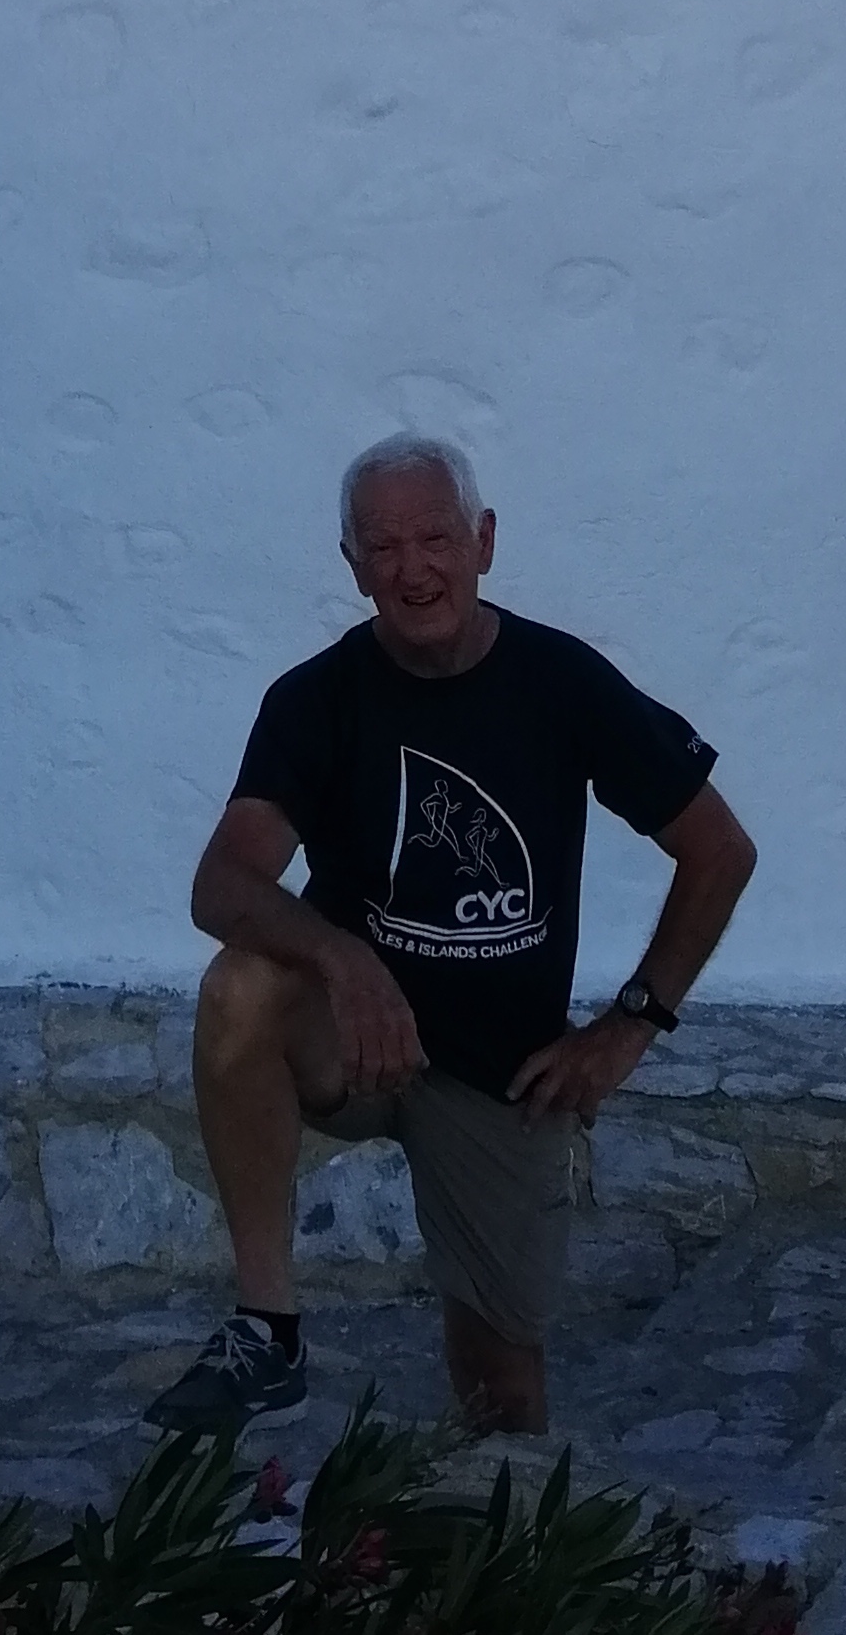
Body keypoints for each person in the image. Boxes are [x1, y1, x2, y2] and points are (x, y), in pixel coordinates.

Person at [146, 435, 759, 1441]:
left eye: (435, 537)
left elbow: (719, 848)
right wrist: (343, 958)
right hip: (355, 1038)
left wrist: (631, 1024)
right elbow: (223, 881)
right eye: (383, 547)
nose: (412, 568)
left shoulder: (563, 680)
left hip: (500, 1069)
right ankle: (266, 1329)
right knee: (240, 987)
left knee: (501, 1393)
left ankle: (488, 1532)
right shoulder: (316, 698)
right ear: (352, 567)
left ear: (484, 542)